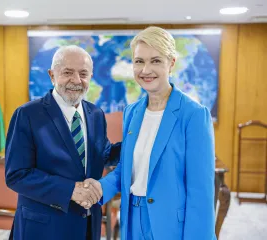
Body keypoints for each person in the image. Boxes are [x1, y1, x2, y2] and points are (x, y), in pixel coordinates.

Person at [85, 26, 216, 240]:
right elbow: (126, 169)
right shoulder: (132, 112)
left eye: (155, 61)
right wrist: (99, 188)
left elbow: (200, 193)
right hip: (131, 221)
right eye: (139, 61)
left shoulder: (194, 115)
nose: (146, 70)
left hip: (171, 226)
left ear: (171, 63)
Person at [5, 45, 120, 240]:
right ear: (52, 75)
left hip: (87, 227)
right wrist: (69, 190)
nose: (76, 80)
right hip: (43, 229)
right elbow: (16, 175)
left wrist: (141, 142)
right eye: (68, 72)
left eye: (83, 73)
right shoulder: (27, 115)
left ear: (91, 77)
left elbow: (103, 153)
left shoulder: (96, 114)